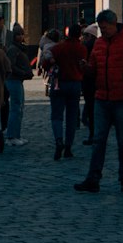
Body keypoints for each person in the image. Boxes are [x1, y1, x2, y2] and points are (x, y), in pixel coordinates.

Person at [74, 10, 123, 194]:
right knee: (98, 140)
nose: (102, 31)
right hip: (102, 98)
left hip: (122, 99)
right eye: (100, 28)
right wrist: (85, 68)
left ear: (114, 24)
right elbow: (94, 70)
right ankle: (93, 179)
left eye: (104, 28)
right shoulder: (99, 44)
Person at [50, 24, 87, 160]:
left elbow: (46, 63)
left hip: (59, 83)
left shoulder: (58, 48)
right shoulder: (82, 49)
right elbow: (83, 67)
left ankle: (59, 140)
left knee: (57, 115)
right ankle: (68, 147)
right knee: (72, 117)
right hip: (75, 84)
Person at [4, 24, 32, 147]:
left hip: (18, 80)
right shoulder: (13, 49)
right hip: (13, 80)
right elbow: (11, 66)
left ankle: (17, 135)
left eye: (22, 34)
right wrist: (23, 73)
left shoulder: (19, 48)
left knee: (19, 108)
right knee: (16, 108)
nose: (20, 37)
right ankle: (11, 136)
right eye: (18, 35)